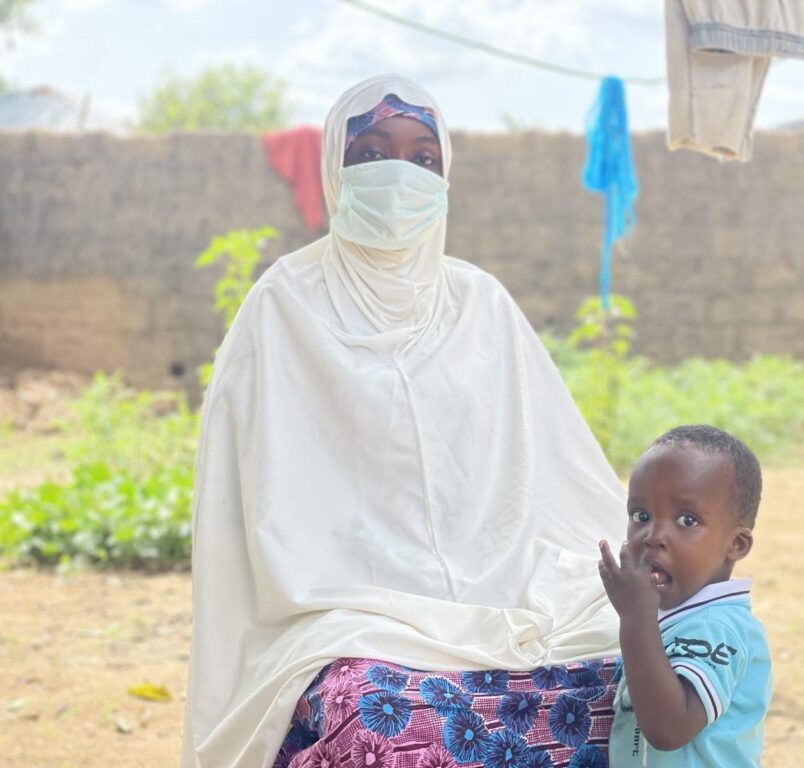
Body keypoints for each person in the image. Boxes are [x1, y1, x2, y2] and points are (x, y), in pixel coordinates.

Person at [180, 74, 626, 768]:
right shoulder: (283, 308)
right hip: (348, 609)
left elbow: (559, 475)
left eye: (423, 159)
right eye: (372, 153)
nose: (400, 176)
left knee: (641, 666)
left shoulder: (482, 304)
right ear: (334, 170)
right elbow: (247, 517)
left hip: (505, 587)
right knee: (376, 717)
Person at [598, 425, 772, 767]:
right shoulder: (674, 615)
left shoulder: (721, 627)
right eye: (641, 516)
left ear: (735, 545)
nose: (653, 536)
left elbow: (669, 728)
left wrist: (635, 619)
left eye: (687, 520)